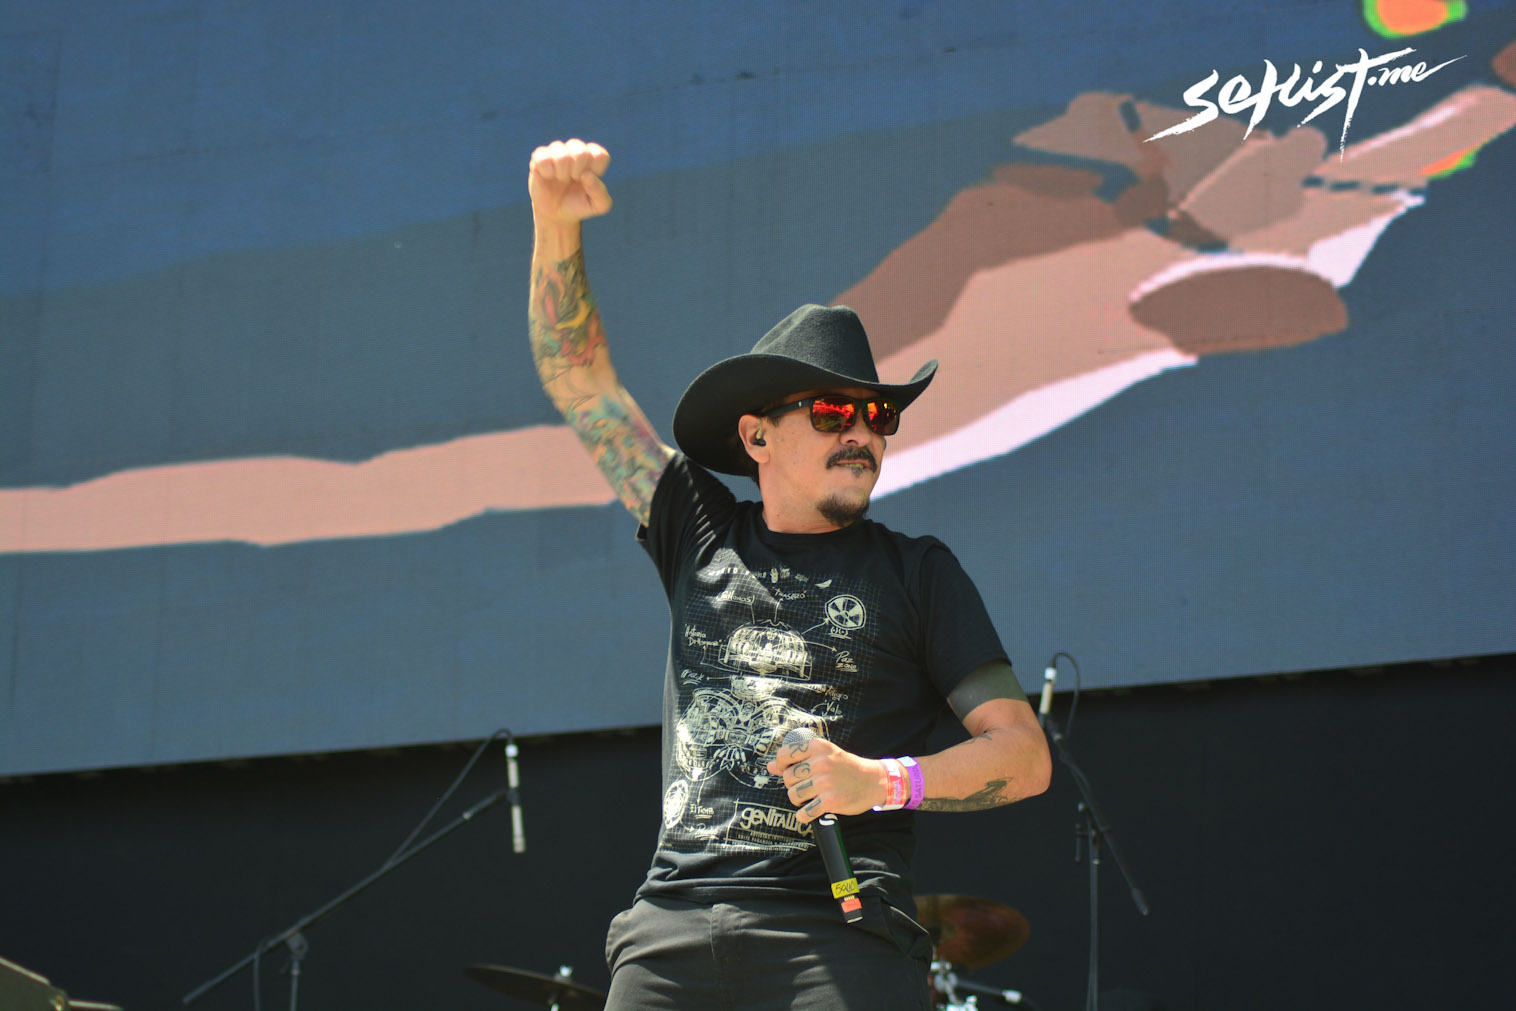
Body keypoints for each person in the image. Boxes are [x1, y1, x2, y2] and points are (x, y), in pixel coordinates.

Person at [527, 138, 1051, 1010]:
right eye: (835, 410)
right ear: (757, 435)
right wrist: (554, 226)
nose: (863, 431)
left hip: (836, 935)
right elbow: (582, 385)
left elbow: (1024, 756)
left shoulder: (917, 573)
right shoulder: (697, 529)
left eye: (878, 415)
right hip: (672, 926)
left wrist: (883, 780)